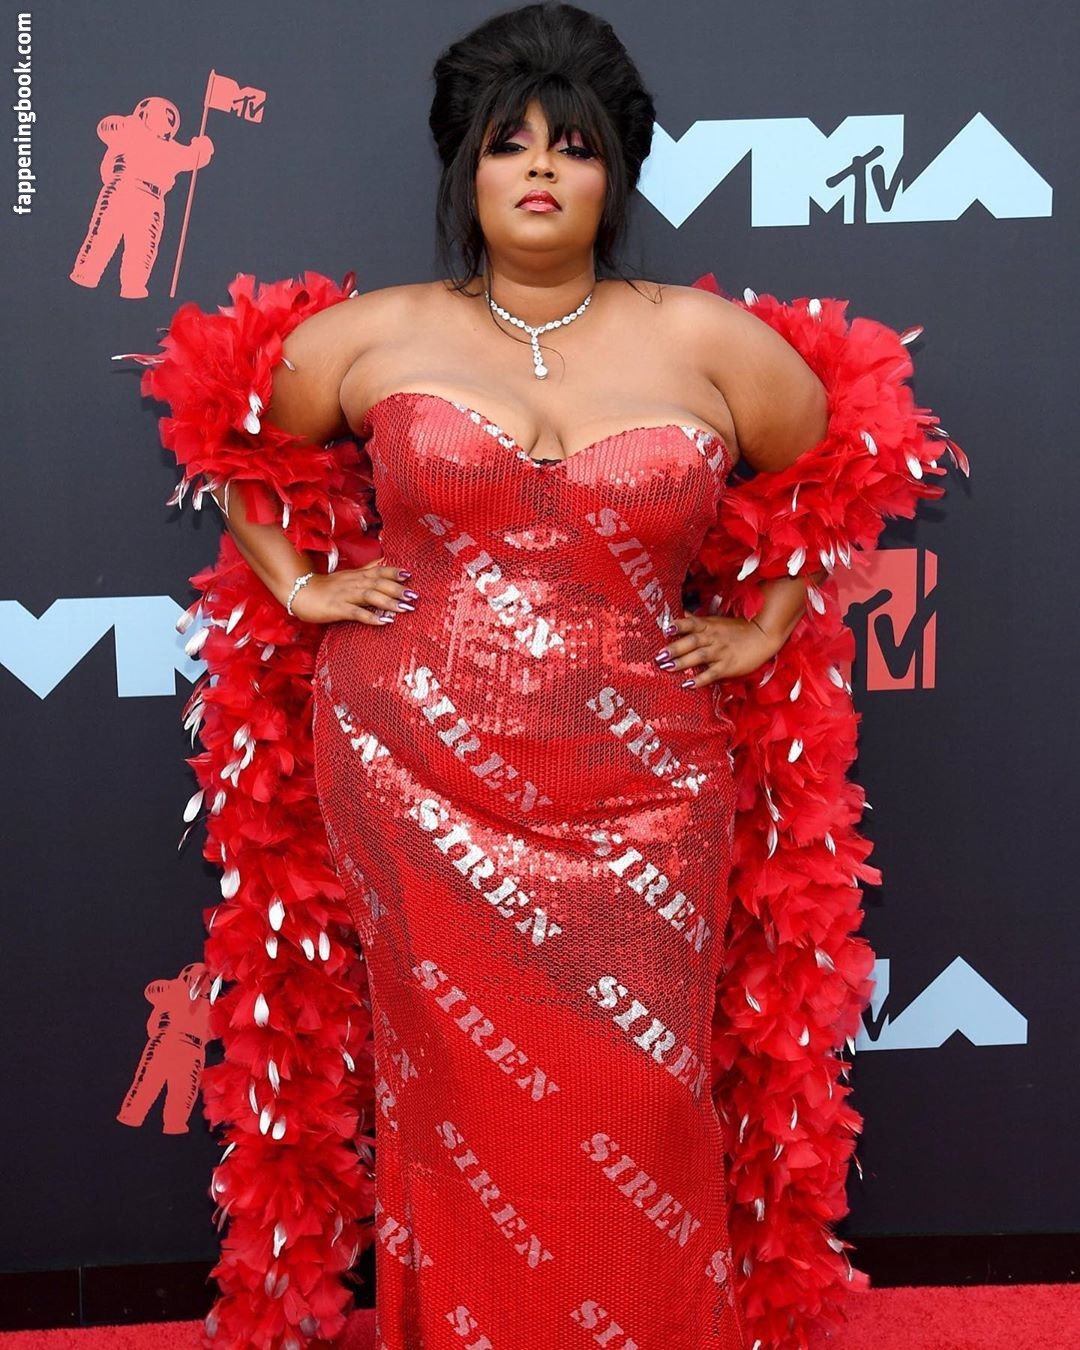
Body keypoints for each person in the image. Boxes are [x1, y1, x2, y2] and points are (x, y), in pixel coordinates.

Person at [121, 4, 968, 1347]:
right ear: (465, 166)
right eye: (508, 142)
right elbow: (230, 430)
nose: (538, 170)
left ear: (612, 174)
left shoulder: (704, 340)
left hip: (646, 787)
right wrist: (297, 583)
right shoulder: (374, 334)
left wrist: (768, 623)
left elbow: (845, 454)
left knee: (642, 1095)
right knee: (453, 1089)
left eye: (572, 146)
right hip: (414, 769)